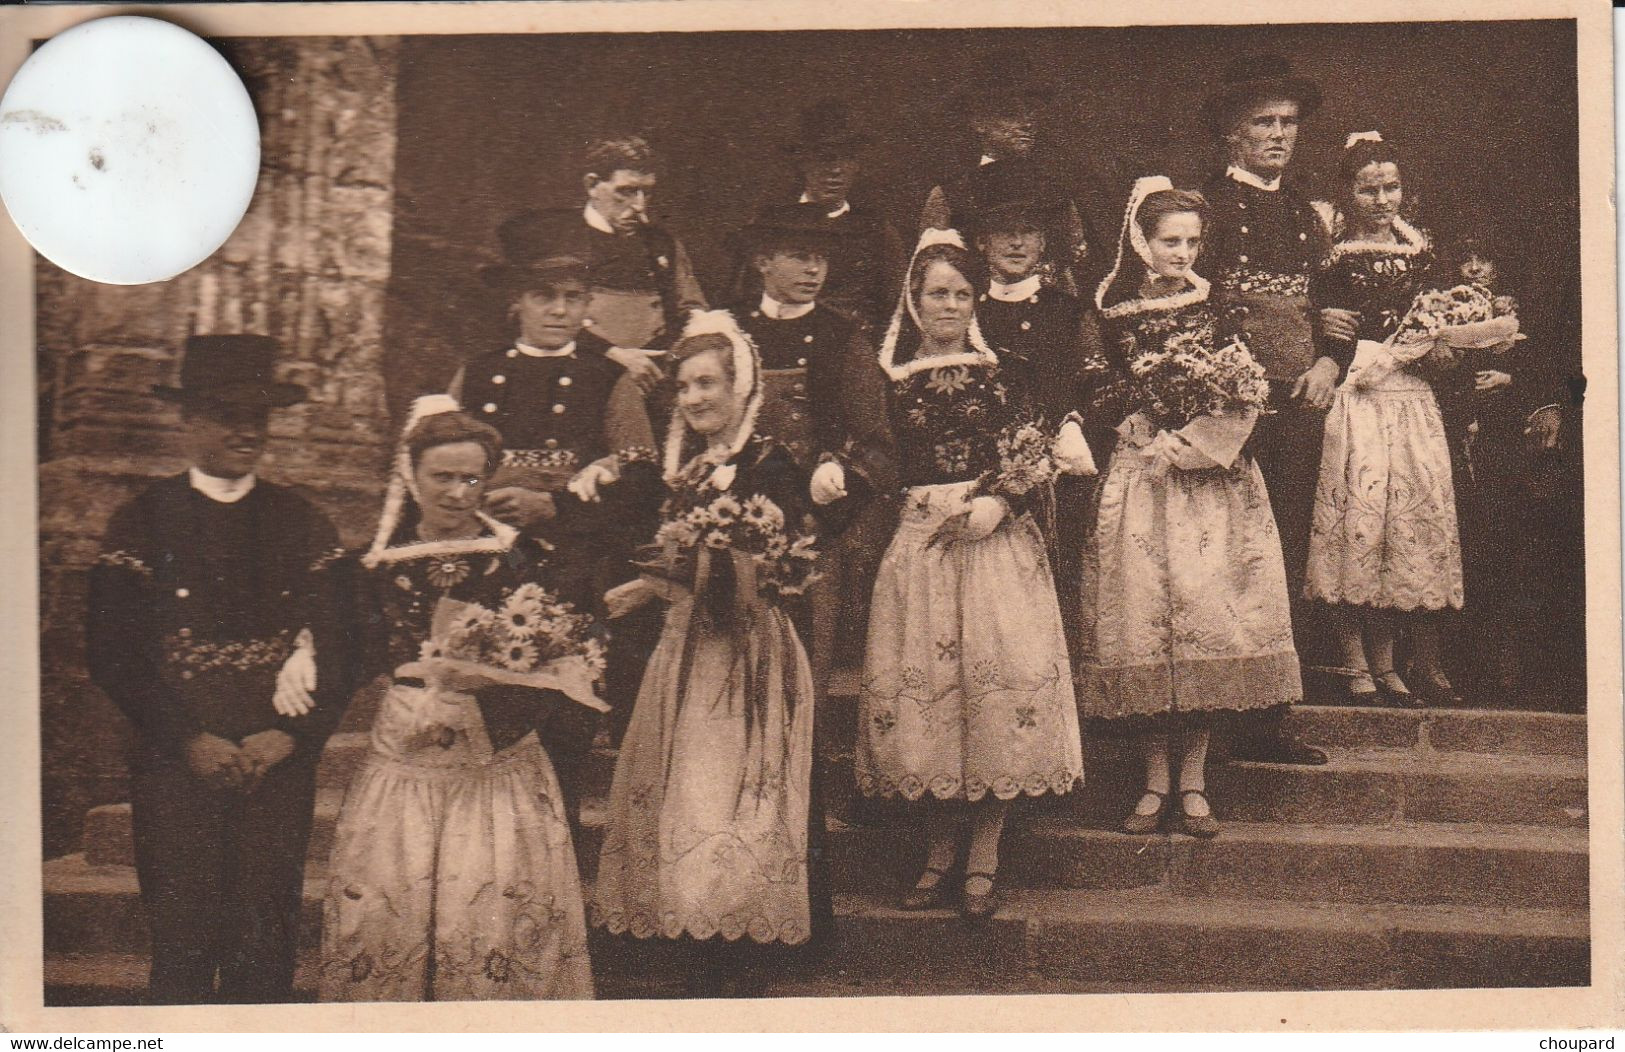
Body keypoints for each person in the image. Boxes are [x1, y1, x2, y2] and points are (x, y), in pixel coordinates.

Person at [289, 399, 598, 1001]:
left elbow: (567, 661)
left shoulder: (526, 561)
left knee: (494, 916)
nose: (459, 493)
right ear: (412, 475)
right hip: (403, 768)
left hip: (495, 774)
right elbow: (343, 659)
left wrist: (500, 697)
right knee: (383, 916)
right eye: (443, 477)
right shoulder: (367, 568)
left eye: (473, 478)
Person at [86, 335, 353, 1004]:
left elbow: (352, 642)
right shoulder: (142, 521)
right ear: (187, 420)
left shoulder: (302, 522)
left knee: (265, 947)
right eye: (226, 412)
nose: (246, 428)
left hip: (277, 766)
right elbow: (112, 650)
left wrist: (292, 736)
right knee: (180, 943)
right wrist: (185, 740)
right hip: (175, 767)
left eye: (259, 414)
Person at [855, 230, 1089, 920]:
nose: (950, 304)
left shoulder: (1006, 372)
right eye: (937, 293)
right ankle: (937, 851)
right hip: (922, 550)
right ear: (914, 299)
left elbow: (1040, 449)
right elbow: (875, 459)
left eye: (961, 292)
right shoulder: (888, 381)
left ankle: (983, 852)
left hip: (993, 549)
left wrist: (999, 499)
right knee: (931, 699)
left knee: (992, 690)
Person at [589, 311, 821, 996]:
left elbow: (771, 566)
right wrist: (659, 579)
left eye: (707, 384)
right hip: (688, 646)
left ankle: (729, 932)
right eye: (684, 387)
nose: (693, 399)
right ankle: (688, 920)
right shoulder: (692, 468)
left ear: (740, 386)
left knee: (731, 787)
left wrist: (657, 582)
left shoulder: (771, 464)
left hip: (743, 650)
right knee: (690, 786)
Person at [1076, 179, 1298, 839]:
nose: (1179, 253)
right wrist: (1137, 415)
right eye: (1167, 241)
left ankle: (1194, 780)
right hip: (1143, 475)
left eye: (1191, 241)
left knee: (1204, 615)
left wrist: (1205, 431)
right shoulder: (1109, 308)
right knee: (1146, 621)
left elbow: (1244, 379)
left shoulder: (1219, 302)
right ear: (1140, 241)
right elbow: (1092, 383)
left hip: (1209, 481)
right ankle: (1152, 780)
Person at [453, 230, 662, 807]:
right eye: (544, 296)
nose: (560, 310)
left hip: (574, 576)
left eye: (573, 296)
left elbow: (643, 486)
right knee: (480, 732)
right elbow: (437, 463)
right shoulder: (476, 374)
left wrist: (557, 507)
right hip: (486, 571)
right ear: (515, 302)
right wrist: (478, 503)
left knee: (562, 733)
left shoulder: (608, 381)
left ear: (588, 304)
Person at [1198, 53, 1333, 764]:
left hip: (1300, 403)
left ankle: (1272, 713)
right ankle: (1211, 716)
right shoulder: (1204, 210)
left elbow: (1333, 310)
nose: (1278, 135)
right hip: (1227, 409)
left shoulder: (1309, 216)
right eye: (1262, 123)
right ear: (1231, 133)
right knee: (1222, 555)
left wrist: (1326, 362)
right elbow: (1188, 310)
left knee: (1285, 548)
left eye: (1287, 123)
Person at [1304, 133, 1466, 706]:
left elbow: (1437, 317)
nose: (1381, 199)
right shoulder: (1331, 256)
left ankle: (1391, 662)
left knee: (1406, 521)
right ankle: (1354, 663)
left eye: (1390, 187)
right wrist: (1360, 352)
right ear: (1347, 194)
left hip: (1412, 398)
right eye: (1368, 189)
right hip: (1361, 395)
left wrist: (1441, 342)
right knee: (1362, 519)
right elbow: (1326, 326)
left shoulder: (1423, 253)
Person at [968, 192, 1100, 636]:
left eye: (1028, 233)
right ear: (983, 243)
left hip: (1055, 468)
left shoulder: (1069, 311)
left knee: (1056, 572)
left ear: (1043, 243)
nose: (1017, 244)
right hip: (982, 466)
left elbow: (1093, 382)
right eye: (1005, 233)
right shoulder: (968, 312)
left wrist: (1072, 424)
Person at [501, 135, 708, 393]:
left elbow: (692, 310)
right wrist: (613, 354)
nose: (639, 206)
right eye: (626, 191)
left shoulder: (662, 244)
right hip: (575, 376)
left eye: (647, 192)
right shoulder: (555, 239)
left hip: (653, 378)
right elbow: (527, 316)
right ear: (592, 185)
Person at [919, 51, 1099, 298]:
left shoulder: (1056, 192)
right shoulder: (949, 196)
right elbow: (930, 279)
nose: (1027, 124)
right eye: (1011, 113)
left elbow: (1072, 275)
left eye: (1031, 113)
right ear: (979, 122)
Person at [733, 98, 906, 327]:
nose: (835, 170)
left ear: (857, 166)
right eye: (824, 158)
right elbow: (742, 298)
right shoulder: (771, 226)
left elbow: (896, 308)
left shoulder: (876, 232)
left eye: (846, 159)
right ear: (803, 163)